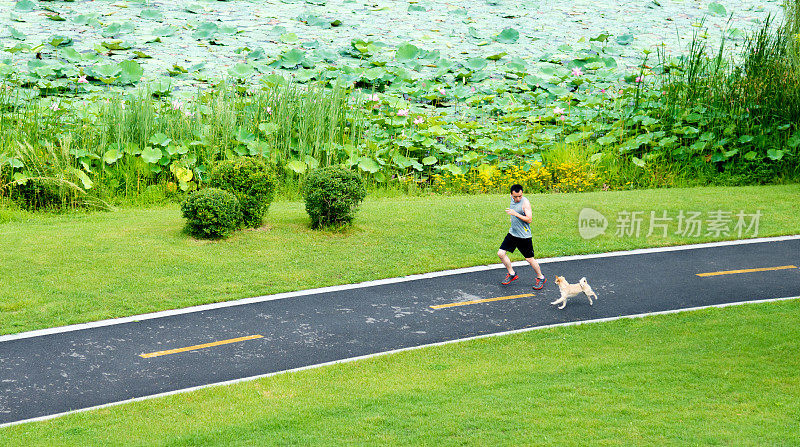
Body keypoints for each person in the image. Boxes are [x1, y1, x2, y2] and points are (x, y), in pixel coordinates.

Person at [497, 184, 547, 290]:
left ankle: (541, 277)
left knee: (529, 259)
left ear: (522, 193)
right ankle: (512, 274)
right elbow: (513, 211)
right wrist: (512, 218)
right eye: (515, 196)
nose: (518, 198)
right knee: (501, 253)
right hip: (513, 233)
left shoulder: (525, 203)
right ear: (511, 194)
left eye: (520, 196)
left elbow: (529, 219)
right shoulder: (511, 199)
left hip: (524, 236)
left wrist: (515, 214)